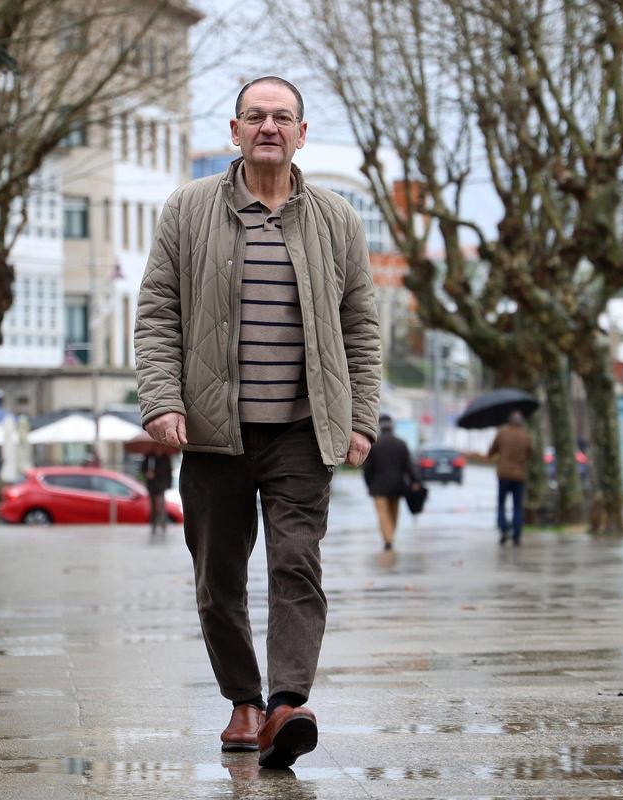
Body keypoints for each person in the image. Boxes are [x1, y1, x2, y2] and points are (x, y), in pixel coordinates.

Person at [134, 76, 380, 770]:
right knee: (218, 576)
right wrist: (161, 400)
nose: (269, 126)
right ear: (234, 131)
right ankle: (243, 699)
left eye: (283, 118)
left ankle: (286, 706)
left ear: (302, 134)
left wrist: (361, 416)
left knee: (297, 563)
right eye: (256, 116)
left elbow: (361, 324)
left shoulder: (337, 218)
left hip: (304, 430)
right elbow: (157, 312)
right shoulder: (187, 209)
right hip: (213, 432)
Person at [361, 415, 418, 551]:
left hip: (378, 486)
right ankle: (390, 537)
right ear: (392, 426)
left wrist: (370, 485)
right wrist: (415, 481)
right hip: (397, 485)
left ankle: (388, 540)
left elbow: (367, 468)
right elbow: (409, 466)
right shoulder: (401, 443)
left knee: (383, 514)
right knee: (394, 513)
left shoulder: (374, 444)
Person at [487, 411, 533, 545]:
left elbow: (491, 451)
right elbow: (530, 452)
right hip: (519, 475)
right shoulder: (526, 436)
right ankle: (517, 535)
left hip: (504, 474)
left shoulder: (502, 433)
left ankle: (503, 530)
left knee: (501, 504)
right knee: (517, 507)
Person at [141, 453, 173, 534]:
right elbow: (143, 468)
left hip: (161, 485)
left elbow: (168, 471)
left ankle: (163, 524)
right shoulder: (148, 456)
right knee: (153, 506)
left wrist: (168, 484)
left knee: (162, 505)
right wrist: (147, 473)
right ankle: (153, 524)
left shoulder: (165, 457)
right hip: (151, 485)